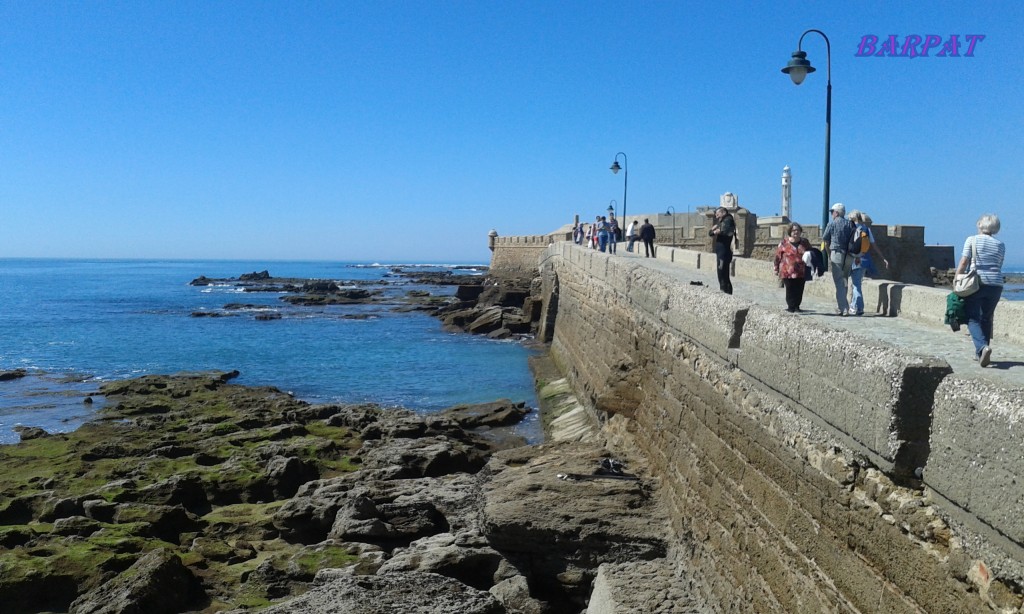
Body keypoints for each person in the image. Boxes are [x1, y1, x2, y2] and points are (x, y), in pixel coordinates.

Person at [954, 214, 1005, 367]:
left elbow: (964, 262)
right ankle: (981, 353)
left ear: (980, 225)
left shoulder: (972, 239)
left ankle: (982, 348)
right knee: (986, 318)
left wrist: (956, 278)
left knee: (972, 318)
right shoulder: (1000, 245)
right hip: (996, 285)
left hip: (977, 283)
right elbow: (999, 265)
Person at [846, 210, 890, 315]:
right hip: (865, 261)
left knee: (856, 285)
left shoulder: (850, 229)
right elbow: (874, 246)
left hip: (854, 260)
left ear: (852, 219)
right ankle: (855, 306)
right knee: (857, 284)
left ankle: (858, 307)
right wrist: (883, 258)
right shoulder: (866, 229)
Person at [820, 202, 855, 316]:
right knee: (844, 280)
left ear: (836, 213)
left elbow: (825, 240)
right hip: (849, 255)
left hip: (837, 253)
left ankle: (844, 308)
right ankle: (841, 307)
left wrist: (829, 254)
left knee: (839, 281)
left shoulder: (832, 224)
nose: (831, 214)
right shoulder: (850, 224)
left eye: (832, 212)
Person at [774, 223, 812, 312]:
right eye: (794, 230)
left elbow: (810, 253)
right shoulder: (783, 243)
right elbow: (777, 257)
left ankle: (797, 306)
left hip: (801, 271)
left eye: (798, 230)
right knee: (790, 289)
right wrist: (776, 268)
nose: (796, 232)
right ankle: (791, 307)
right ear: (790, 232)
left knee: (799, 289)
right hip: (787, 271)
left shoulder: (805, 242)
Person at [709, 207, 739, 294]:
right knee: (722, 274)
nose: (716, 216)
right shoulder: (722, 222)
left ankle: (725, 292)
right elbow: (710, 233)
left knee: (722, 273)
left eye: (718, 214)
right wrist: (714, 230)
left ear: (723, 212)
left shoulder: (728, 220)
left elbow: (724, 231)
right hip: (721, 252)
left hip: (724, 253)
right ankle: (726, 292)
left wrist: (717, 231)